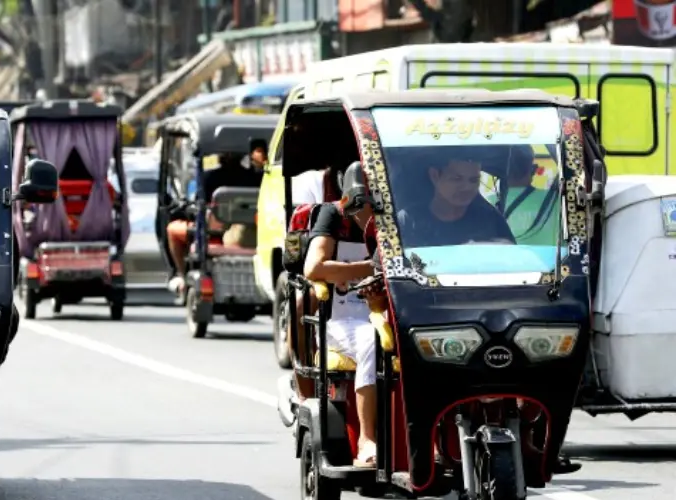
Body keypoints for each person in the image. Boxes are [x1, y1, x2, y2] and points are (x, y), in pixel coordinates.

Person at [279, 161, 382, 467]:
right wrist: (368, 268)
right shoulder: (334, 215)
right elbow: (314, 268)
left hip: (393, 310)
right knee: (371, 340)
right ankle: (366, 439)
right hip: (345, 316)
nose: (372, 215)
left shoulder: (398, 216)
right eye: (366, 204)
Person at [165, 140, 266, 293]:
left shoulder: (209, 178)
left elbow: (197, 206)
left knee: (172, 229)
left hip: (215, 232)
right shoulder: (258, 178)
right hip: (255, 230)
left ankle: (181, 275)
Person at [396, 152, 515, 247]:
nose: (467, 187)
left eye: (473, 180)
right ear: (434, 175)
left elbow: (512, 260)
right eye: (457, 179)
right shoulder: (407, 222)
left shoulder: (491, 220)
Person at [485, 145, 560, 246]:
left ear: (502, 171)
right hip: (551, 261)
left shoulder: (487, 204)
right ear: (532, 169)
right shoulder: (555, 200)